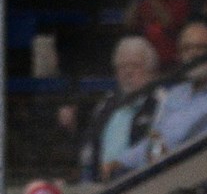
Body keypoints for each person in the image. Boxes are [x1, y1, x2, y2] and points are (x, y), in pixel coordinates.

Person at [109, 18, 207, 174]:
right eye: (186, 48)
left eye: (201, 47)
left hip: (197, 175)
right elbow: (154, 139)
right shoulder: (175, 94)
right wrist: (120, 161)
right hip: (158, 174)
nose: (193, 54)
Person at [57, 35, 162, 182]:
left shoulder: (161, 103)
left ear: (151, 71)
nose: (128, 72)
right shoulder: (106, 104)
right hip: (99, 182)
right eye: (122, 67)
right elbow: (89, 146)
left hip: (140, 183)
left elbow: (158, 147)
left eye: (135, 65)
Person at [122, 0, 191, 70]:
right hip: (147, 62)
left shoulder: (181, 2)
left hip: (172, 63)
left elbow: (168, 23)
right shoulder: (145, 2)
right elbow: (129, 25)